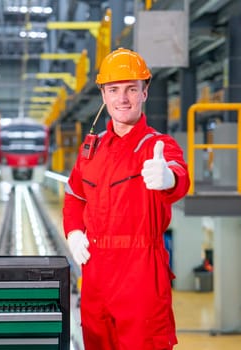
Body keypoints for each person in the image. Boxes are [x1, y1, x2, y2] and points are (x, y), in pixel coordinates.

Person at [63, 48, 190, 350]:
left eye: (131, 89)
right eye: (114, 90)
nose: (122, 98)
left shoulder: (158, 145)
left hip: (141, 278)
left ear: (145, 92)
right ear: (103, 95)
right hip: (95, 278)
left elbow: (179, 175)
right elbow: (74, 195)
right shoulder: (91, 150)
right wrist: (74, 231)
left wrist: (168, 177)